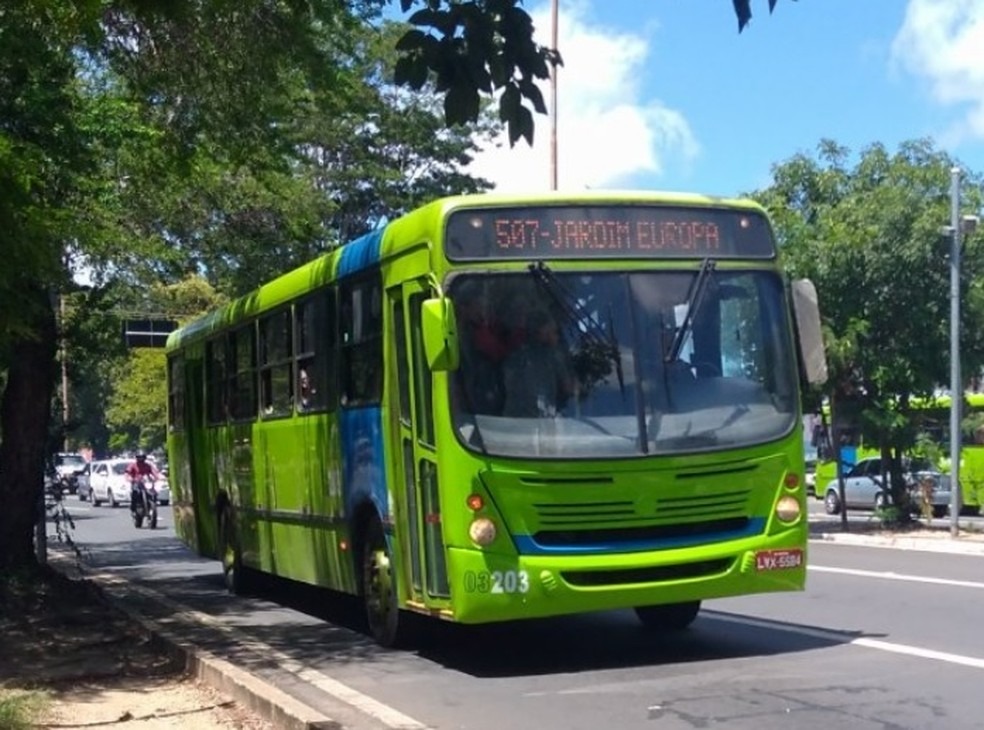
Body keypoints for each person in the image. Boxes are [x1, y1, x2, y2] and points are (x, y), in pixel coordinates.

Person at [501, 309, 574, 417]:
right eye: (552, 332)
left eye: (555, 332)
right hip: (527, 423)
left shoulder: (517, 357)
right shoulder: (549, 358)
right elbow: (568, 388)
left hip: (537, 421)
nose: (557, 337)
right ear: (540, 333)